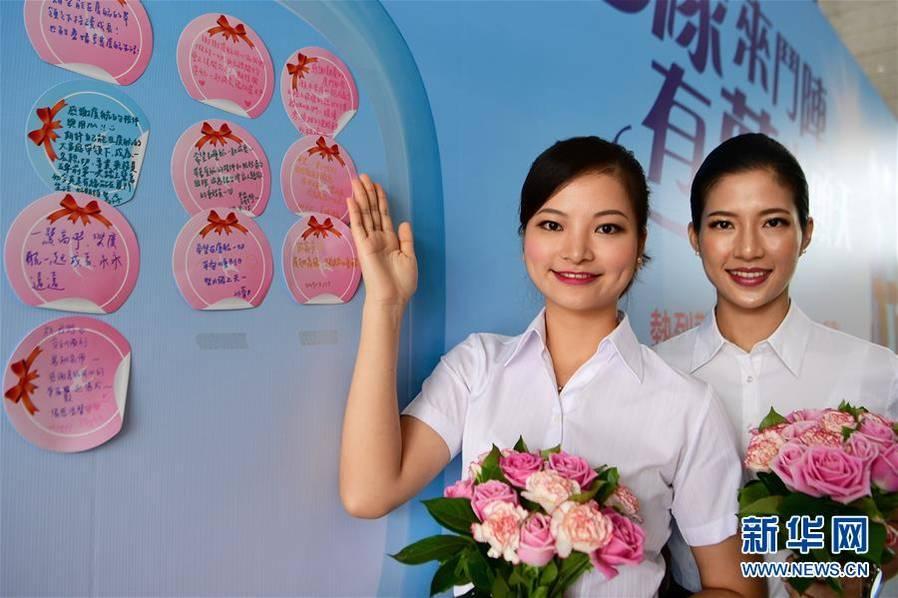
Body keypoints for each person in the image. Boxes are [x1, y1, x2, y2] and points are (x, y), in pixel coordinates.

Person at [339, 136, 763, 596]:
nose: (576, 251)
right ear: (526, 238)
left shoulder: (688, 407)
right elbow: (369, 492)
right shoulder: (478, 367)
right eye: (552, 225)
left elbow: (738, 589)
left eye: (607, 229)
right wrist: (386, 302)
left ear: (640, 242)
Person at [655, 133, 898, 598]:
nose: (748, 249)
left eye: (772, 222)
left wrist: (854, 578)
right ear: (695, 236)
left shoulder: (877, 373)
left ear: (805, 233)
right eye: (724, 224)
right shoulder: (655, 373)